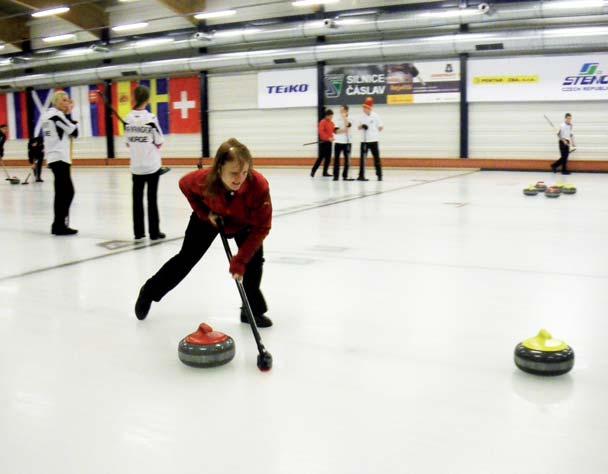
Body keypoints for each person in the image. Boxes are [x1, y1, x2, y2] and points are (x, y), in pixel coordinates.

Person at [134, 138, 274, 328]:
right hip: (209, 218)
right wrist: (205, 213)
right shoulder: (203, 180)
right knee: (186, 259)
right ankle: (149, 292)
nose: (239, 178)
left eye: (244, 172)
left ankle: (250, 310)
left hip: (244, 221)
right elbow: (184, 184)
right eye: (233, 173)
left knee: (254, 262)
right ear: (219, 169)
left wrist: (240, 260)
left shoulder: (259, 186)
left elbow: (262, 227)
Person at [125, 85, 166, 241]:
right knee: (151, 199)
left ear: (134, 98)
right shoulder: (151, 118)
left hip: (136, 166)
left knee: (137, 199)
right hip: (151, 165)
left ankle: (139, 232)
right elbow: (159, 141)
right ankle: (154, 232)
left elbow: (128, 143)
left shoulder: (128, 118)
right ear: (147, 100)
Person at [41, 91, 79, 235]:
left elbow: (68, 131)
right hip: (60, 157)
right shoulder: (57, 115)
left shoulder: (47, 115)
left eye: (68, 100)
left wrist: (68, 116)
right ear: (56, 101)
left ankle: (58, 224)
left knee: (61, 192)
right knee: (67, 192)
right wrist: (69, 113)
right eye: (64, 100)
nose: (67, 102)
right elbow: (74, 132)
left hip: (54, 156)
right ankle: (59, 224)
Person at [357, 97, 384, 181]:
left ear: (369, 108)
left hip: (373, 140)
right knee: (362, 159)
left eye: (365, 107)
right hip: (364, 141)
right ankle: (361, 175)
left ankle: (379, 175)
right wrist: (362, 126)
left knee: (376, 158)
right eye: (363, 107)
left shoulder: (375, 116)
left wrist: (374, 131)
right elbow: (358, 127)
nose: (364, 109)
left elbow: (381, 127)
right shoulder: (361, 116)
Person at [311, 108, 335, 178]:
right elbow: (321, 132)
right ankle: (313, 171)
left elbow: (333, 131)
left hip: (329, 143)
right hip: (324, 143)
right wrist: (328, 138)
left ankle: (325, 172)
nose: (331, 118)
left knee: (328, 158)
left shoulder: (332, 123)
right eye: (330, 116)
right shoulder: (322, 122)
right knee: (321, 158)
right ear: (327, 116)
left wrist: (332, 137)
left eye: (332, 116)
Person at [333, 105, 354, 181]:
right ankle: (336, 176)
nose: (341, 112)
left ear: (346, 111)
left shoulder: (350, 118)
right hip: (338, 141)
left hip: (347, 142)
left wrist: (345, 118)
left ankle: (345, 175)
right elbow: (335, 131)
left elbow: (348, 125)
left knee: (347, 159)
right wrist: (343, 130)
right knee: (336, 159)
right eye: (340, 110)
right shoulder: (337, 119)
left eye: (342, 110)